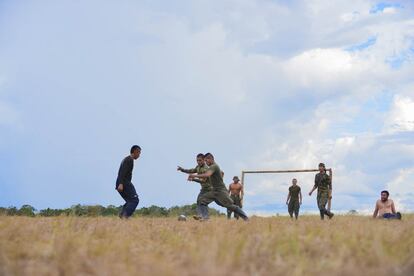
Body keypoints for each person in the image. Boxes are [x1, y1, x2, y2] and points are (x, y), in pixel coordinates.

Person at [188, 153, 248, 221]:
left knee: (229, 206)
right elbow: (221, 173)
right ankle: (206, 218)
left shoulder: (214, 166)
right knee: (202, 201)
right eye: (205, 161)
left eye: (207, 160)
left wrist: (194, 176)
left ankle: (245, 218)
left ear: (211, 159)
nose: (206, 162)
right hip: (214, 191)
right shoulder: (211, 167)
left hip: (221, 191)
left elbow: (207, 175)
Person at [177, 153, 212, 220]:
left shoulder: (206, 169)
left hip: (210, 189)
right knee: (199, 201)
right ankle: (201, 216)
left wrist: (193, 179)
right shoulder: (198, 167)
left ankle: (205, 217)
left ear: (204, 160)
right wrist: (182, 169)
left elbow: (203, 181)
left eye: (200, 160)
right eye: (197, 160)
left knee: (203, 201)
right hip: (204, 189)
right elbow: (191, 171)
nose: (198, 162)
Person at [116, 145, 141, 219]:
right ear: (135, 152)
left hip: (123, 183)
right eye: (139, 153)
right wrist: (120, 184)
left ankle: (122, 215)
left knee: (130, 200)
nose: (139, 155)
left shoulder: (128, 159)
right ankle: (125, 216)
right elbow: (121, 172)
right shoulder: (129, 160)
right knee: (135, 200)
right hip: (124, 183)